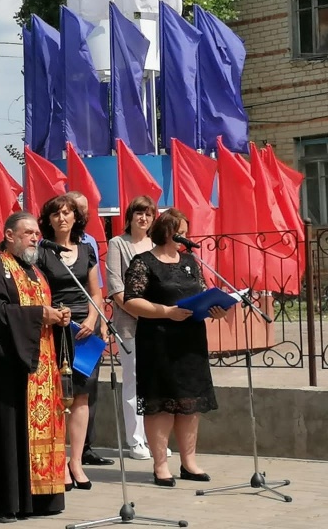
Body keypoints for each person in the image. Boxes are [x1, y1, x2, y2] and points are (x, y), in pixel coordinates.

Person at [0, 211, 71, 523]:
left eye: (35, 233)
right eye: (28, 232)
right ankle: (7, 502)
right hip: (11, 367)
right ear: (9, 236)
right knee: (9, 432)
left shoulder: (35, 272)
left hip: (42, 365)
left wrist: (58, 316)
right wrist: (37, 316)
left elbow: (39, 309)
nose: (35, 237)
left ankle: (41, 500)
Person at [122, 208, 228, 487]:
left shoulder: (191, 261)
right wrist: (166, 311)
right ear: (168, 231)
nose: (186, 236)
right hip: (158, 340)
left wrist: (214, 309)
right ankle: (160, 466)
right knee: (161, 404)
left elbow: (203, 293)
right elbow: (131, 300)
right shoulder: (143, 262)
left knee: (189, 402)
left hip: (190, 342)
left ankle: (189, 463)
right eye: (181, 230)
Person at [36, 194, 104, 490]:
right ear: (48, 220)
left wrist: (92, 319)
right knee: (57, 397)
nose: (62, 218)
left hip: (85, 330)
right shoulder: (40, 251)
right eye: (56, 214)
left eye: (67, 213)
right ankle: (59, 462)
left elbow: (96, 293)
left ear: (76, 218)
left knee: (82, 397)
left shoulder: (88, 250)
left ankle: (76, 462)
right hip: (55, 327)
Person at [106, 196, 157, 460]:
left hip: (158, 324)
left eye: (148, 214)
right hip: (130, 325)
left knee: (155, 383)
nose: (143, 218)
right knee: (134, 381)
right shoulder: (118, 244)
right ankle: (135, 439)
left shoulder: (156, 244)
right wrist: (141, 312)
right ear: (130, 216)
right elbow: (116, 288)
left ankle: (154, 438)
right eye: (139, 213)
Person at [66, 191, 112, 467]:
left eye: (85, 210)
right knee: (65, 392)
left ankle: (85, 449)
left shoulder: (90, 243)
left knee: (88, 389)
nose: (83, 215)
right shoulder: (50, 245)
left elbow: (97, 289)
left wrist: (100, 321)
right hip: (63, 326)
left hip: (88, 324)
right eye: (77, 210)